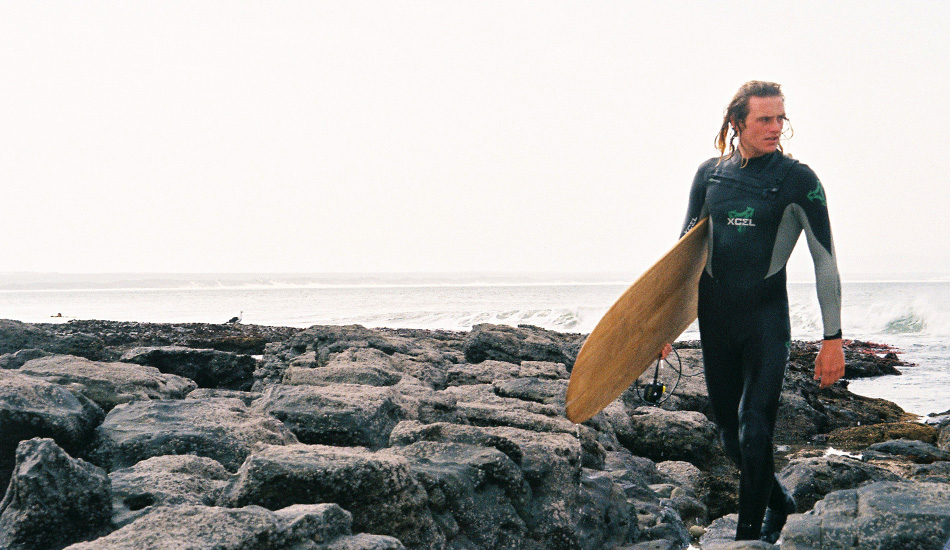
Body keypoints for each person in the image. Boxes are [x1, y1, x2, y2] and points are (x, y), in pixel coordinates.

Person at [670, 81, 845, 542]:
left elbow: (824, 258)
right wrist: (661, 324)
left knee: (754, 433)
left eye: (780, 118)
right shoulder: (710, 175)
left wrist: (833, 339)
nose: (775, 128)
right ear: (737, 124)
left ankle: (751, 538)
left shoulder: (797, 180)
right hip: (716, 319)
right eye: (764, 119)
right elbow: (683, 253)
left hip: (766, 320)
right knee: (729, 436)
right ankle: (782, 504)